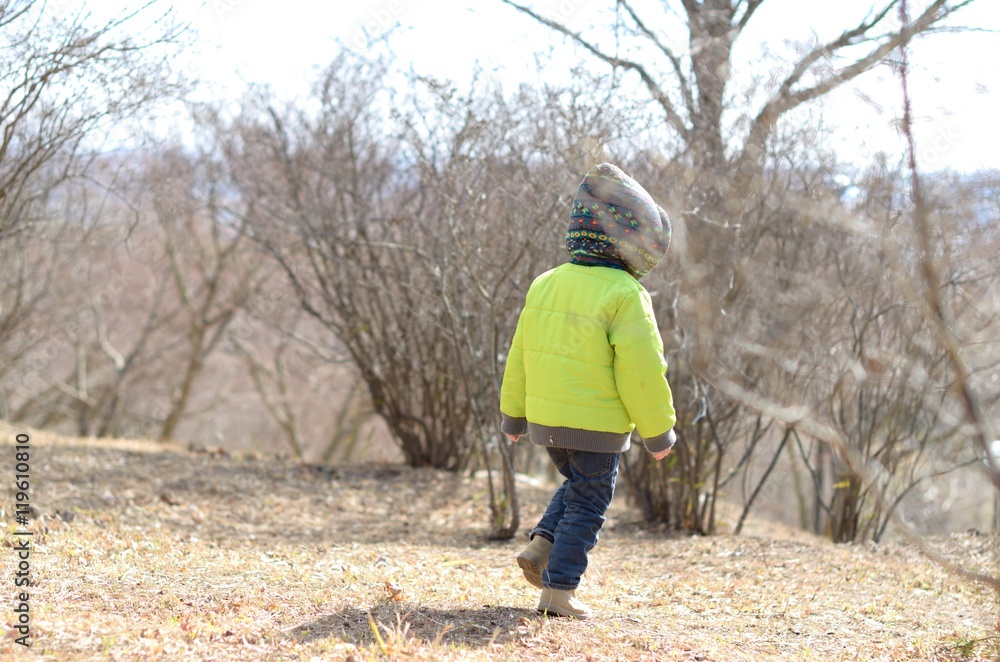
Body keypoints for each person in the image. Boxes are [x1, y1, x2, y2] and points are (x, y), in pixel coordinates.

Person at [499, 163, 677, 620]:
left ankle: (542, 544)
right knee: (589, 504)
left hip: (547, 425)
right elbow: (642, 372)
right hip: (596, 426)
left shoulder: (546, 283)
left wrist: (513, 417)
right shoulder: (626, 293)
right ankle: (558, 592)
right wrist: (658, 433)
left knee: (579, 486)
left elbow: (520, 355)